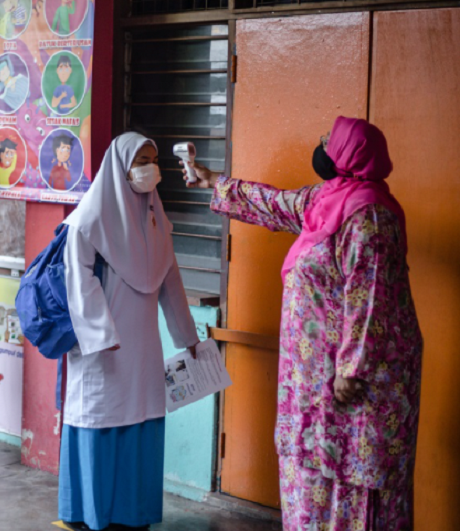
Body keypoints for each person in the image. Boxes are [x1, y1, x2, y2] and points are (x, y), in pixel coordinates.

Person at [187, 116, 422, 530]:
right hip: (313, 377)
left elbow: (372, 298)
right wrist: (213, 182)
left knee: (350, 477)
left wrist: (352, 368)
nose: (321, 144)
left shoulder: (370, 216)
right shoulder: (328, 199)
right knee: (311, 468)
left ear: (350, 155)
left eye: (329, 140)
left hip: (352, 384)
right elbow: (276, 204)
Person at [60, 132, 200, 531]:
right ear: (121, 165)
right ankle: (90, 511)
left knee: (142, 416)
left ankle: (132, 512)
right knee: (102, 417)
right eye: (142, 159)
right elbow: (78, 280)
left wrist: (187, 336)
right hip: (103, 345)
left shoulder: (155, 218)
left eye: (154, 159)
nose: (150, 168)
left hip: (143, 345)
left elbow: (171, 280)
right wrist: (100, 335)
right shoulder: (87, 219)